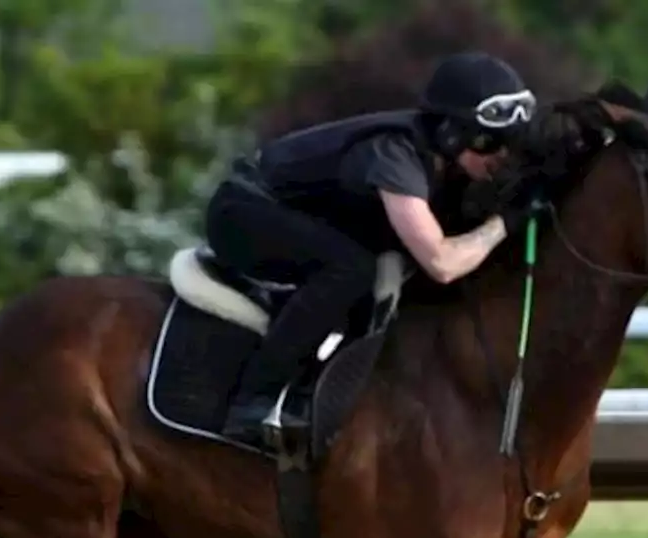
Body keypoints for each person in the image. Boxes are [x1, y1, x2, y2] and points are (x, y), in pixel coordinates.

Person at [204, 51, 539, 444]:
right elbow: (442, 262)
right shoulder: (393, 154)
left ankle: (309, 395)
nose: (501, 156)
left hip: (293, 214)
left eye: (510, 143)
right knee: (352, 269)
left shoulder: (441, 161)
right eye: (490, 141)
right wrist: (504, 224)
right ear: (450, 133)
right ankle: (252, 402)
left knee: (372, 275)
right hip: (241, 212)